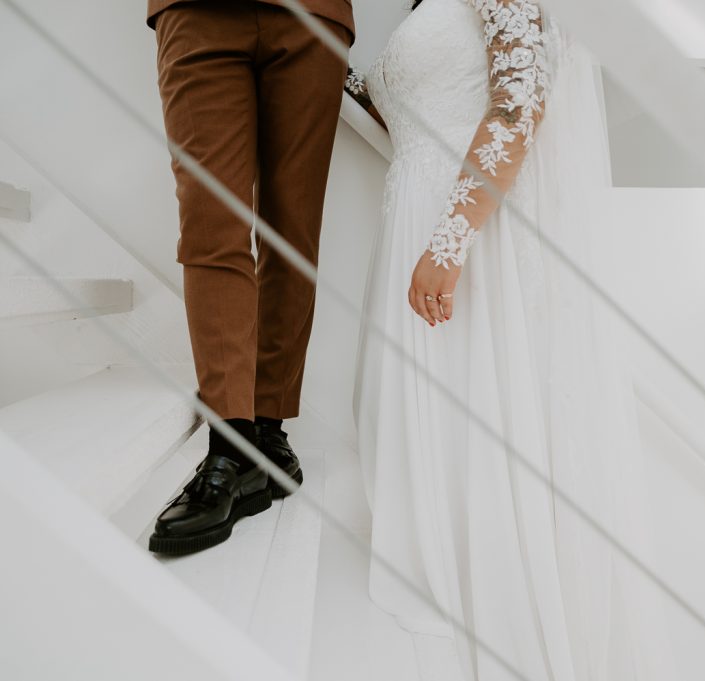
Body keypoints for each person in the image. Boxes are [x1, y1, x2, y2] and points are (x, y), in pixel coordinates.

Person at [352, 1, 672, 679]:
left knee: (481, 438)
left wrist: (449, 241)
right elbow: (411, 109)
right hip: (410, 222)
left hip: (467, 243)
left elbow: (518, 102)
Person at [144, 0, 354, 555]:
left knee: (294, 232)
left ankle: (267, 432)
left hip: (314, 13)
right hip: (195, 10)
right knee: (211, 224)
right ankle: (231, 448)